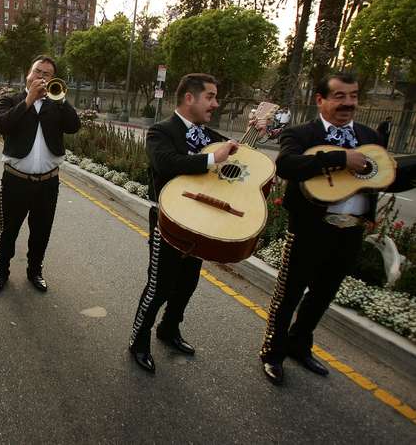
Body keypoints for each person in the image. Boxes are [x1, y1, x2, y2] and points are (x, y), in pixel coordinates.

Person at [259, 73, 416, 385]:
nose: (348, 103)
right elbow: (288, 165)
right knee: (288, 295)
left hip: (350, 232)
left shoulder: (370, 135)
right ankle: (272, 353)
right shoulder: (302, 133)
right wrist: (342, 158)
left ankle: (299, 345)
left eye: (354, 96)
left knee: (323, 294)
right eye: (340, 96)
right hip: (309, 230)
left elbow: (384, 175)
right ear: (321, 100)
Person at [129, 73, 244, 373]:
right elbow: (166, 164)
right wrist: (210, 160)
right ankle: (138, 340)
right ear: (190, 98)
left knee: (188, 283)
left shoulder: (211, 136)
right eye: (210, 97)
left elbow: (230, 162)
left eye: (216, 98)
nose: (215, 104)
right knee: (159, 286)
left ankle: (169, 329)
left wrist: (241, 146)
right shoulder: (160, 132)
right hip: (167, 221)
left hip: (200, 223)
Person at [0, 56, 81, 293]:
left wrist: (61, 99)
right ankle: (1, 271)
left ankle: (35, 271)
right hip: (15, 181)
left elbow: (74, 126)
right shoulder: (10, 100)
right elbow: (3, 125)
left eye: (47, 74)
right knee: (9, 230)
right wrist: (29, 100)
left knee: (41, 231)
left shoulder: (56, 104)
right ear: (28, 74)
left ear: (54, 79)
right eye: (37, 71)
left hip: (48, 183)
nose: (41, 77)